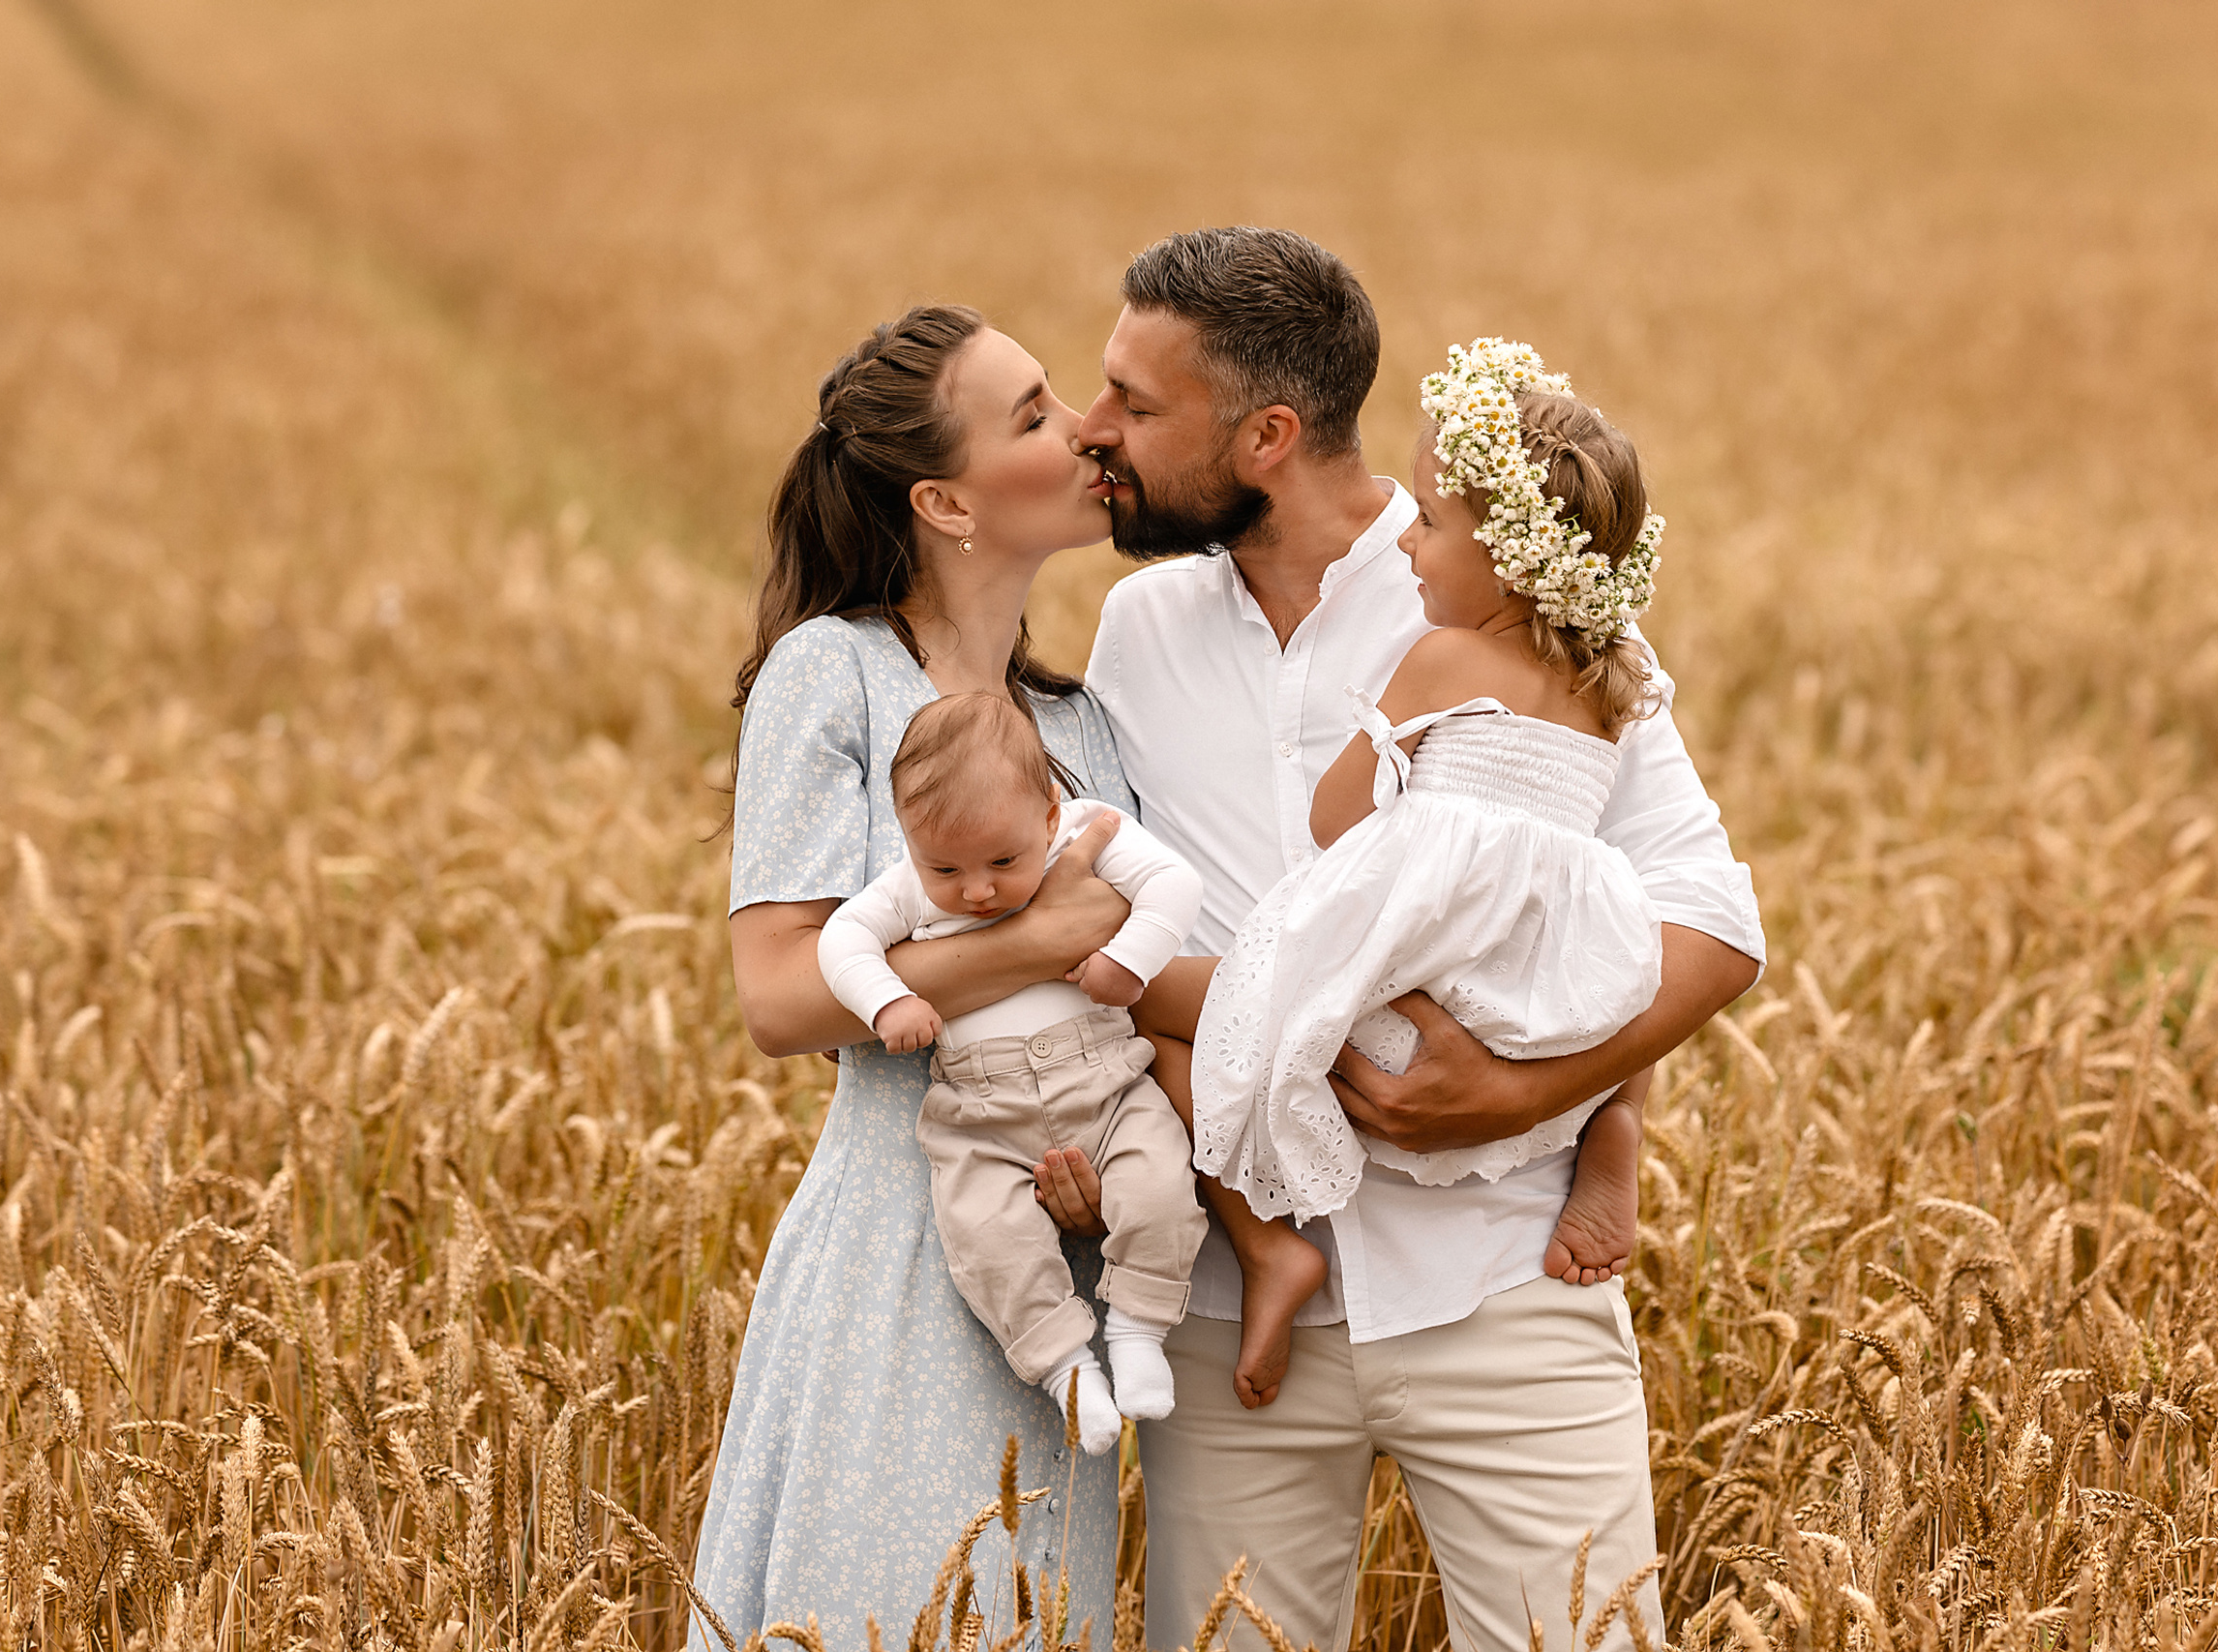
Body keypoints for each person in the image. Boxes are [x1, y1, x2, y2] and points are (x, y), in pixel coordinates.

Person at [1052, 226, 1767, 1651]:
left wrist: (1526, 1093)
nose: (1093, 429)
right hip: (1229, 1307)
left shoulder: (1512, 590)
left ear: (1266, 432)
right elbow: (1094, 910)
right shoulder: (1135, 630)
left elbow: (1713, 919)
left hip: (1505, 1285)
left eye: (1136, 401)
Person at [694, 304, 1144, 1649]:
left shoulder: (1083, 722)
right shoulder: (830, 673)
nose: (1084, 431)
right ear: (946, 498)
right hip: (899, 1251)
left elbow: (1134, 980)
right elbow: (779, 991)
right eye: (1032, 415)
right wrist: (1047, 937)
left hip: (1065, 1264)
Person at [1191, 342, 1675, 1349]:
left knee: (1169, 998)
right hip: (1542, 983)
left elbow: (1336, 820)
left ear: (1509, 556)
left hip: (1422, 970)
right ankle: (1613, 1124)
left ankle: (1260, 1232)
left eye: (1431, 521)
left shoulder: (1443, 657)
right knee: (1623, 973)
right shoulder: (1613, 672)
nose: (1405, 542)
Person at [818, 691, 1207, 1455]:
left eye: (1003, 860)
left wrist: (1129, 962)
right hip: (979, 1112)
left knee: (1162, 1185)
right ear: (910, 840)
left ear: (1050, 813)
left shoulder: (1087, 830)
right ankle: (1065, 1368)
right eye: (946, 868)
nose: (977, 891)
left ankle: (1137, 1327)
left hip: (1107, 1083)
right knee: (989, 1241)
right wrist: (887, 1001)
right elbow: (842, 940)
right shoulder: (905, 884)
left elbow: (1175, 884)